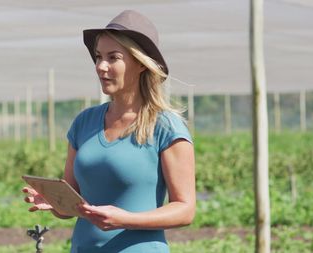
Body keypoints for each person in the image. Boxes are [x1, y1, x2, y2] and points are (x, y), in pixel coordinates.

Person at [23, 10, 195, 252]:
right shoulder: (84, 122)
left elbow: (185, 209)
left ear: (140, 63)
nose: (101, 66)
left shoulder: (166, 126)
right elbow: (74, 205)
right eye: (98, 57)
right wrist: (54, 203)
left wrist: (126, 219)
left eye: (113, 57)